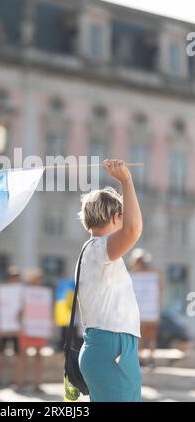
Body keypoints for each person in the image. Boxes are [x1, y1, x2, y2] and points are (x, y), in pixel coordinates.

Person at [77, 159, 143, 402]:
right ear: (115, 217)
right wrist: (126, 180)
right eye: (122, 217)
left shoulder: (92, 250)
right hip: (112, 347)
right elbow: (133, 230)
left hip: (107, 347)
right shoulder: (100, 250)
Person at [130, 248, 163, 367]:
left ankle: (147, 359)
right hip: (147, 312)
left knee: (147, 337)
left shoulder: (136, 275)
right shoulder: (153, 274)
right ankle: (145, 359)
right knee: (144, 337)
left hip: (146, 312)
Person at [17, 268, 48, 393]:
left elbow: (47, 312)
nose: (39, 281)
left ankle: (37, 383)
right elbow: (19, 310)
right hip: (27, 327)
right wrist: (20, 325)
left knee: (39, 356)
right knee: (22, 356)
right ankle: (20, 383)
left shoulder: (45, 294)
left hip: (39, 328)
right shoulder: (24, 292)